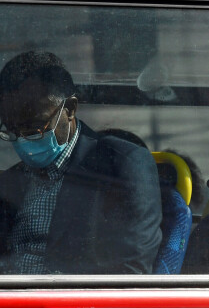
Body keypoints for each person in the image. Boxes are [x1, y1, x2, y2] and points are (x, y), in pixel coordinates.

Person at [0, 51, 162, 274]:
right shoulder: (10, 181)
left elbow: (129, 271)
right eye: (12, 129)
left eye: (34, 127)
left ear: (69, 109)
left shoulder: (119, 167)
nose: (23, 140)